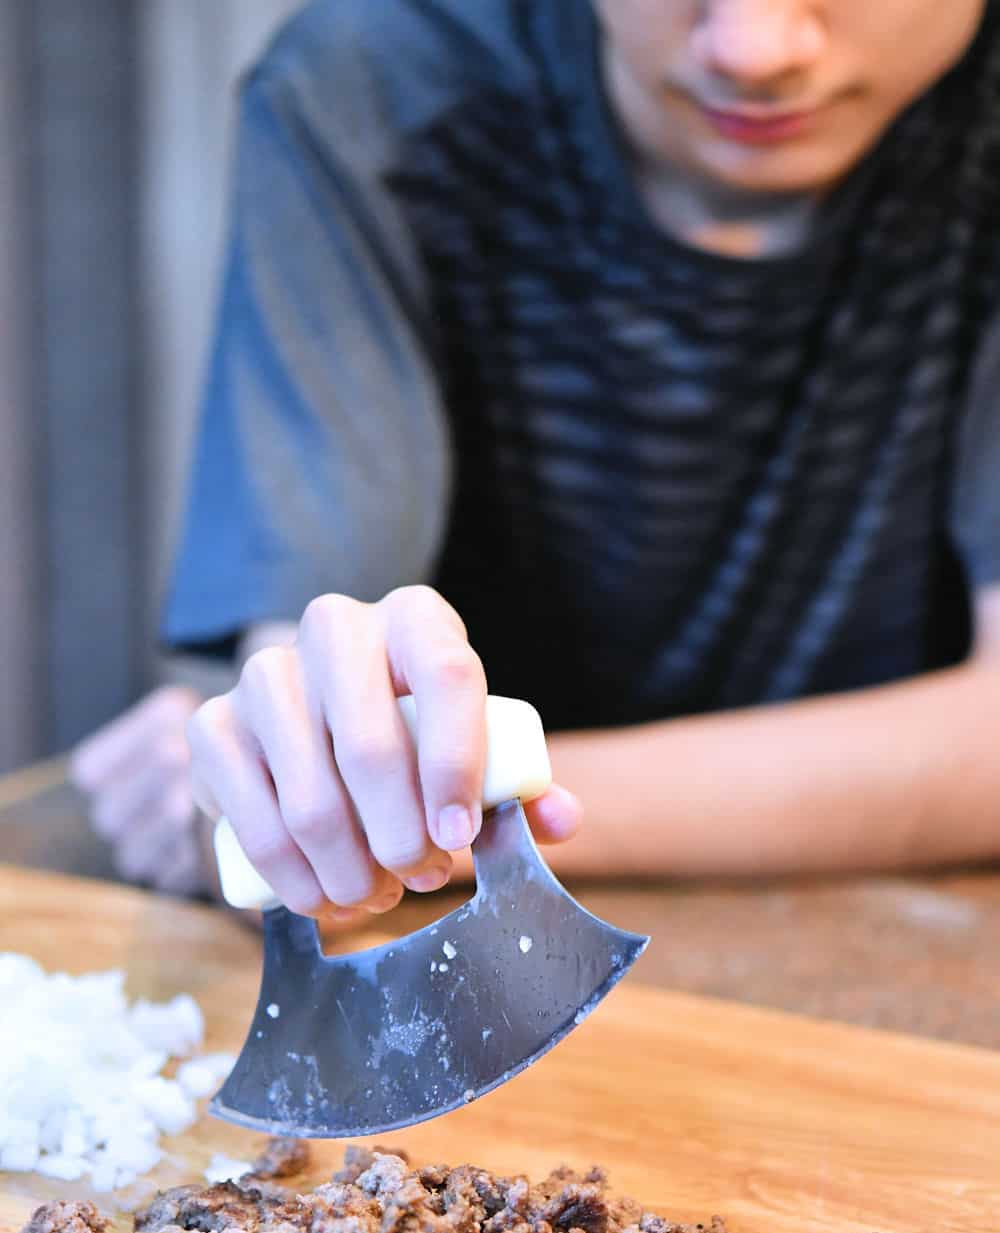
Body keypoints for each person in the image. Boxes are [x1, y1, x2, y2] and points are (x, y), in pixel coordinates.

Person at [73, 0, 1000, 921]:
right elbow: (323, 702)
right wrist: (286, 777)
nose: (754, 51)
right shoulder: (380, 85)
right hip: (466, 934)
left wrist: (466, 800)